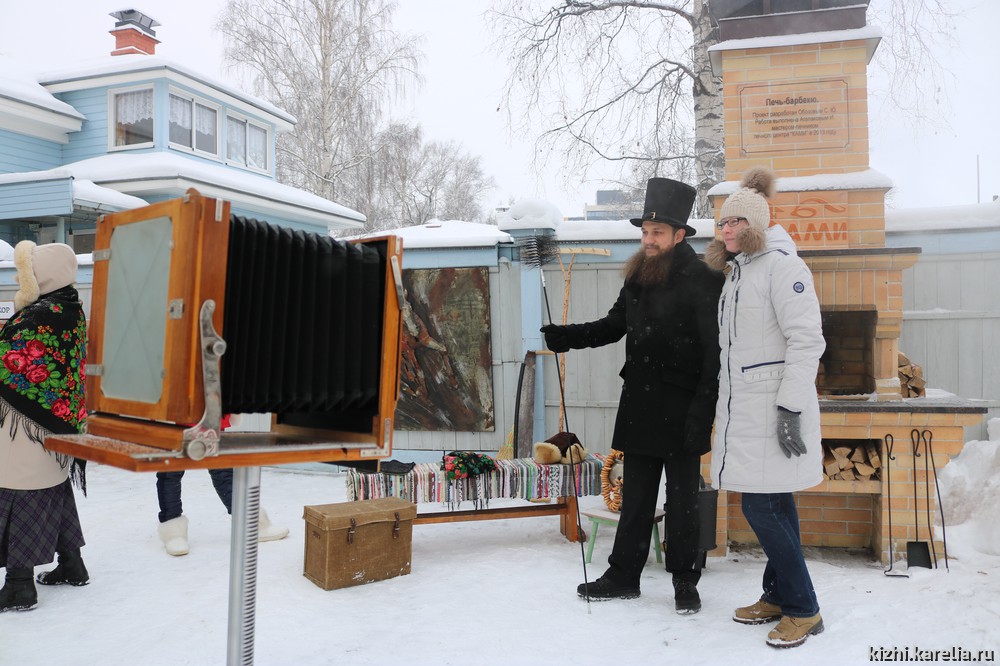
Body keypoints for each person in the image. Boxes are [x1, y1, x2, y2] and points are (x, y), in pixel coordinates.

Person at [541, 178, 723, 614]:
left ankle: (685, 581)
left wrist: (703, 412)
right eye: (645, 231)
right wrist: (567, 337)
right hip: (640, 402)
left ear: (679, 234)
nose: (649, 239)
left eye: (657, 232)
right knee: (636, 497)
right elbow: (613, 325)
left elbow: (714, 353)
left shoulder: (703, 279)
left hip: (683, 408)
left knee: (682, 500)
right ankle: (623, 575)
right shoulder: (639, 275)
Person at [704, 166, 826, 648]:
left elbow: (807, 341)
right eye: (722, 222)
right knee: (776, 503)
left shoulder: (783, 268)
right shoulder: (740, 271)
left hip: (774, 410)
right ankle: (776, 596)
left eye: (735, 221)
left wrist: (791, 408)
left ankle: (804, 608)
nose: (726, 229)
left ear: (756, 223)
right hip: (747, 411)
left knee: (761, 506)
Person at [0, 242, 90, 612]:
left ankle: (20, 585)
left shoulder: (39, 314)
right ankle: (71, 563)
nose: (25, 279)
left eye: (29, 272)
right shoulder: (71, 306)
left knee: (20, 491)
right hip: (58, 421)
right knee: (53, 487)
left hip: (25, 425)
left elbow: (10, 361)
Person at [156, 414, 289, 556]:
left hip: (211, 416)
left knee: (224, 474)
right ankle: (173, 533)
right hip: (175, 419)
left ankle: (252, 523)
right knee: (170, 473)